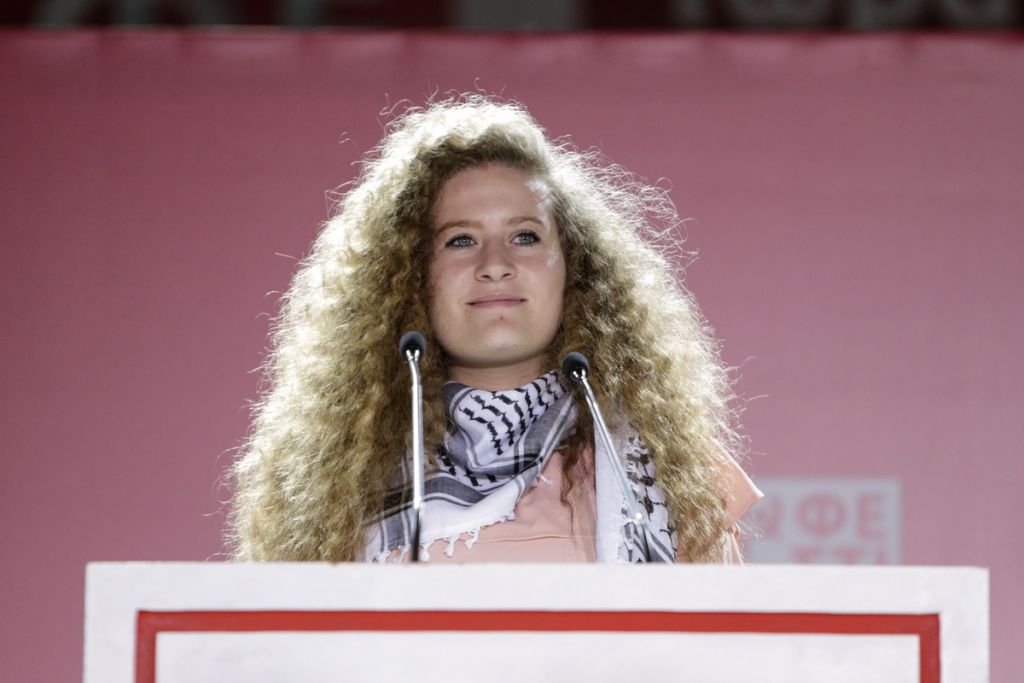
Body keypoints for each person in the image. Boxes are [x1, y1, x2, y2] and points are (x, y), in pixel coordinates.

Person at [227, 95, 761, 564]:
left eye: (525, 237)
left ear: (575, 268)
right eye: (460, 240)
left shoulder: (666, 471)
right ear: (411, 277)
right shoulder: (339, 485)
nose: (495, 264)